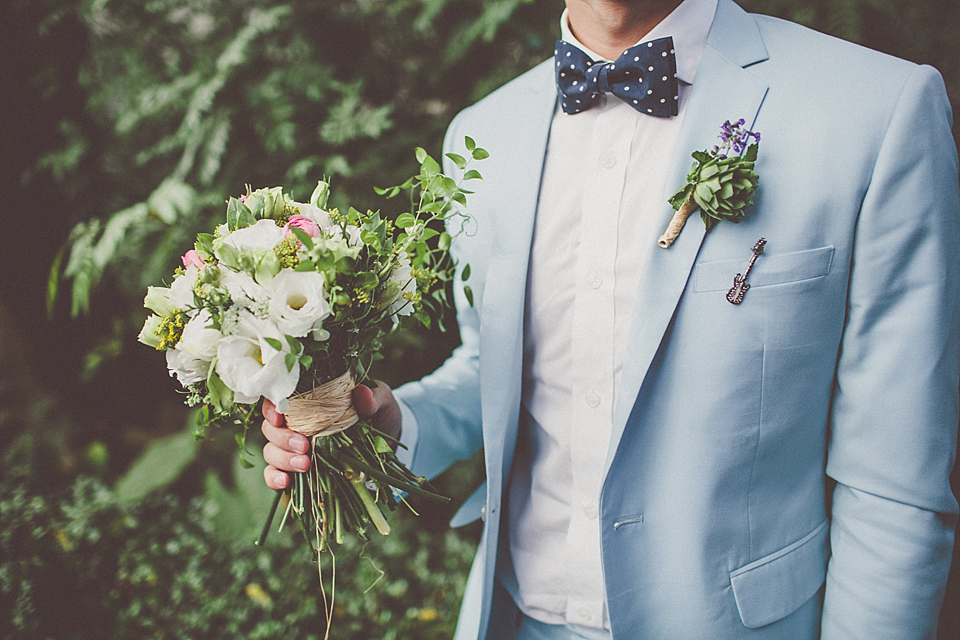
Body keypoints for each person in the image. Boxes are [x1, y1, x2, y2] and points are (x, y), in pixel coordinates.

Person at [262, 0, 960, 637]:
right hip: (518, 617)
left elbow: (894, 482)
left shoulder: (876, 110)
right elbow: (493, 369)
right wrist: (385, 420)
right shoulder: (483, 137)